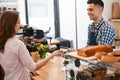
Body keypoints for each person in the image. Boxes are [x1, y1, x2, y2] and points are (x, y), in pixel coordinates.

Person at [0, 11, 64, 80]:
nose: (20, 25)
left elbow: (12, 66)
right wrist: (52, 55)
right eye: (18, 22)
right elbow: (33, 67)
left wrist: (26, 71)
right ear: (11, 25)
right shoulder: (18, 45)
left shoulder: (2, 42)